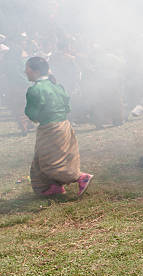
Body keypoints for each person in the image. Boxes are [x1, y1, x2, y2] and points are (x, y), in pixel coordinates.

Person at [24, 57, 93, 197]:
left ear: (33, 71)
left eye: (27, 69)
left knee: (51, 163)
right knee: (41, 159)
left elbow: (32, 114)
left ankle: (80, 177)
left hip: (51, 128)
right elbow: (67, 107)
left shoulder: (35, 90)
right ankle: (54, 186)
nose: (25, 72)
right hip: (64, 125)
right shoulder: (56, 86)